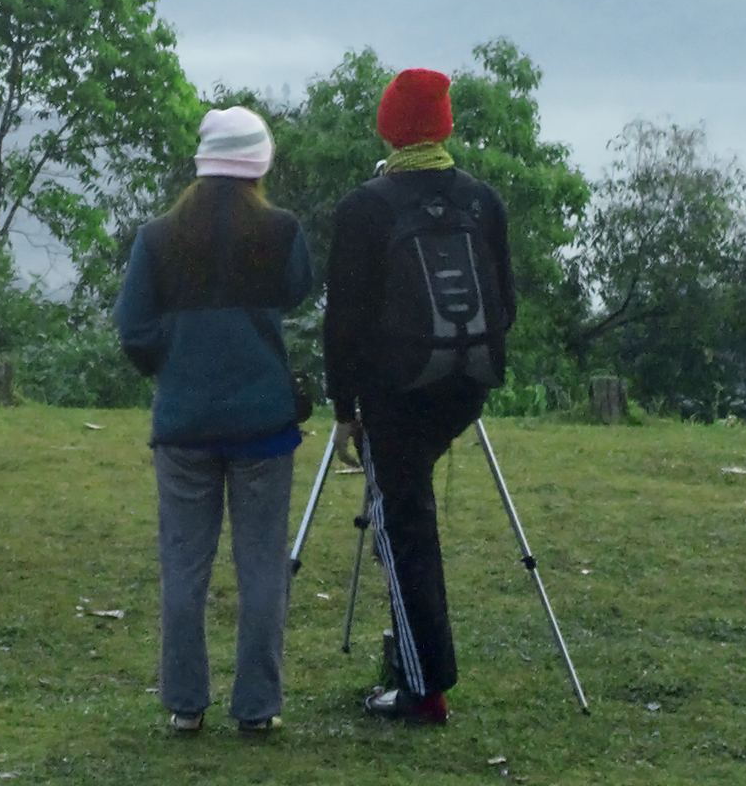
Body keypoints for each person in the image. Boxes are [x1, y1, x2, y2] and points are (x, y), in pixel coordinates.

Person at [324, 68, 516, 725]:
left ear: (387, 126)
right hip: (464, 389)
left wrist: (345, 410)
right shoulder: (482, 200)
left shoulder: (365, 207)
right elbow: (506, 307)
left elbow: (343, 324)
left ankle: (423, 690)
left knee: (404, 529)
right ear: (445, 125)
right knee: (409, 519)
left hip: (394, 399)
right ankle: (414, 670)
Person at [116, 106, 314, 735]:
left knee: (184, 566)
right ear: (259, 164)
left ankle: (184, 704)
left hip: (184, 425)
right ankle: (257, 707)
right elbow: (298, 291)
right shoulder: (281, 232)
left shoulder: (158, 237)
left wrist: (169, 363)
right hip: (264, 425)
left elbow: (132, 327)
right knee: (262, 567)